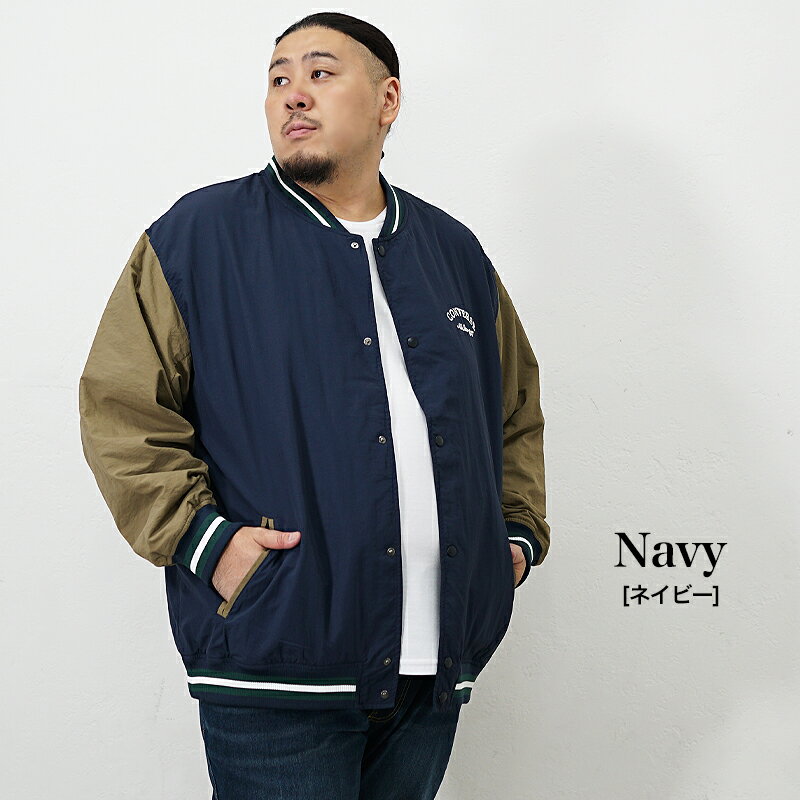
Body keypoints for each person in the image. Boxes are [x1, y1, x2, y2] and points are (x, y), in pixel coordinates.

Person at [78, 11, 550, 799]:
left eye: (321, 73)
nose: (294, 94)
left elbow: (514, 414)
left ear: (387, 100)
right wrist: (210, 546)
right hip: (278, 661)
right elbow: (122, 409)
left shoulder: (454, 254)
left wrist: (513, 540)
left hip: (434, 669)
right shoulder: (198, 239)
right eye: (278, 79)